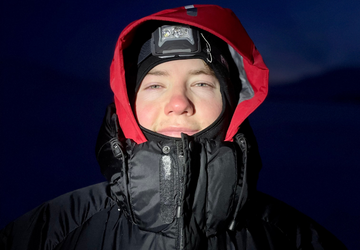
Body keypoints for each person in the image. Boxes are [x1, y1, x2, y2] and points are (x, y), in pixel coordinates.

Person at [0, 4, 346, 250]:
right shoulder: (52, 232)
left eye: (201, 84)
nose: (179, 102)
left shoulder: (294, 237)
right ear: (127, 102)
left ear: (232, 102)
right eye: (155, 85)